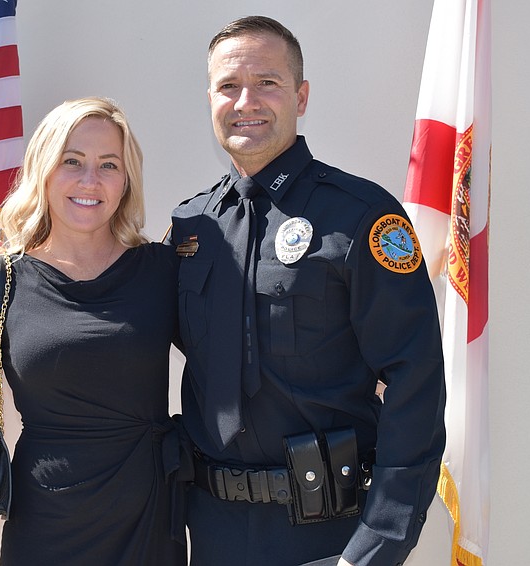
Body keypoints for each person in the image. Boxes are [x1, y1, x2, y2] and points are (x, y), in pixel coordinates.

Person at [168, 16, 446, 566]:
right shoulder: (190, 227)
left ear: (301, 96)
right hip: (212, 532)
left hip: (329, 537)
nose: (246, 101)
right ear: (210, 99)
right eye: (228, 86)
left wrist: (375, 546)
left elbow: (416, 381)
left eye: (267, 83)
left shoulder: (361, 216)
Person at [0, 97, 186, 566]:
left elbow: (228, 356)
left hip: (146, 525)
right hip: (43, 530)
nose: (90, 180)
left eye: (109, 164)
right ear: (43, 170)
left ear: (126, 180)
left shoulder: (161, 270)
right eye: (72, 161)